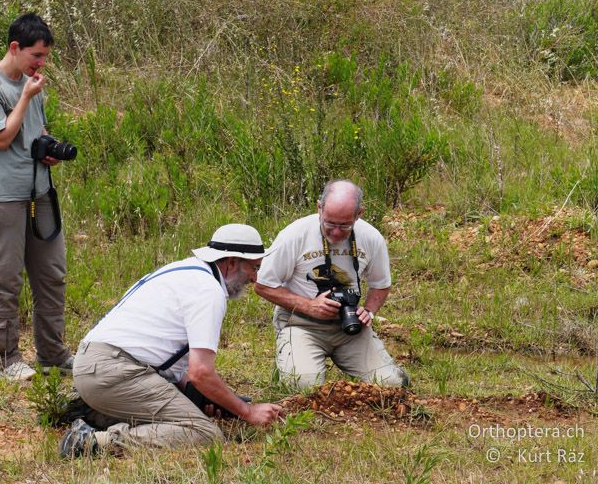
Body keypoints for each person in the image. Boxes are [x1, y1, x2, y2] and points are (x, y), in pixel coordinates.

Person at [59, 224, 283, 457]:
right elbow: (201, 373)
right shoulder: (209, 292)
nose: (255, 277)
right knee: (204, 432)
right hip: (114, 371)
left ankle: (97, 414)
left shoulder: (185, 271)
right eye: (254, 267)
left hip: (95, 365)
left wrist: (202, 399)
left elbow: (167, 356)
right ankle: (93, 442)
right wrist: (247, 411)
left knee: (191, 406)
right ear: (231, 262)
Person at [0, 13, 72, 381]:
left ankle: (52, 353)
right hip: (2, 199)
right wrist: (26, 97)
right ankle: (4, 358)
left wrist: (46, 149)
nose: (42, 64)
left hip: (38, 192)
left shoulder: (31, 84)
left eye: (45, 57)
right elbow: (0, 138)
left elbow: (32, 132)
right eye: (37, 56)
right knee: (5, 279)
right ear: (15, 48)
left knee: (52, 275)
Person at [254, 179, 409, 390]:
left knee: (391, 385)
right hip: (300, 323)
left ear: (359, 214)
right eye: (329, 223)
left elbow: (381, 284)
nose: (336, 232)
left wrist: (369, 312)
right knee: (304, 386)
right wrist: (309, 306)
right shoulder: (294, 234)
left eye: (345, 225)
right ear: (319, 207)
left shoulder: (371, 237)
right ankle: (293, 360)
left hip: (349, 325)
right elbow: (263, 285)